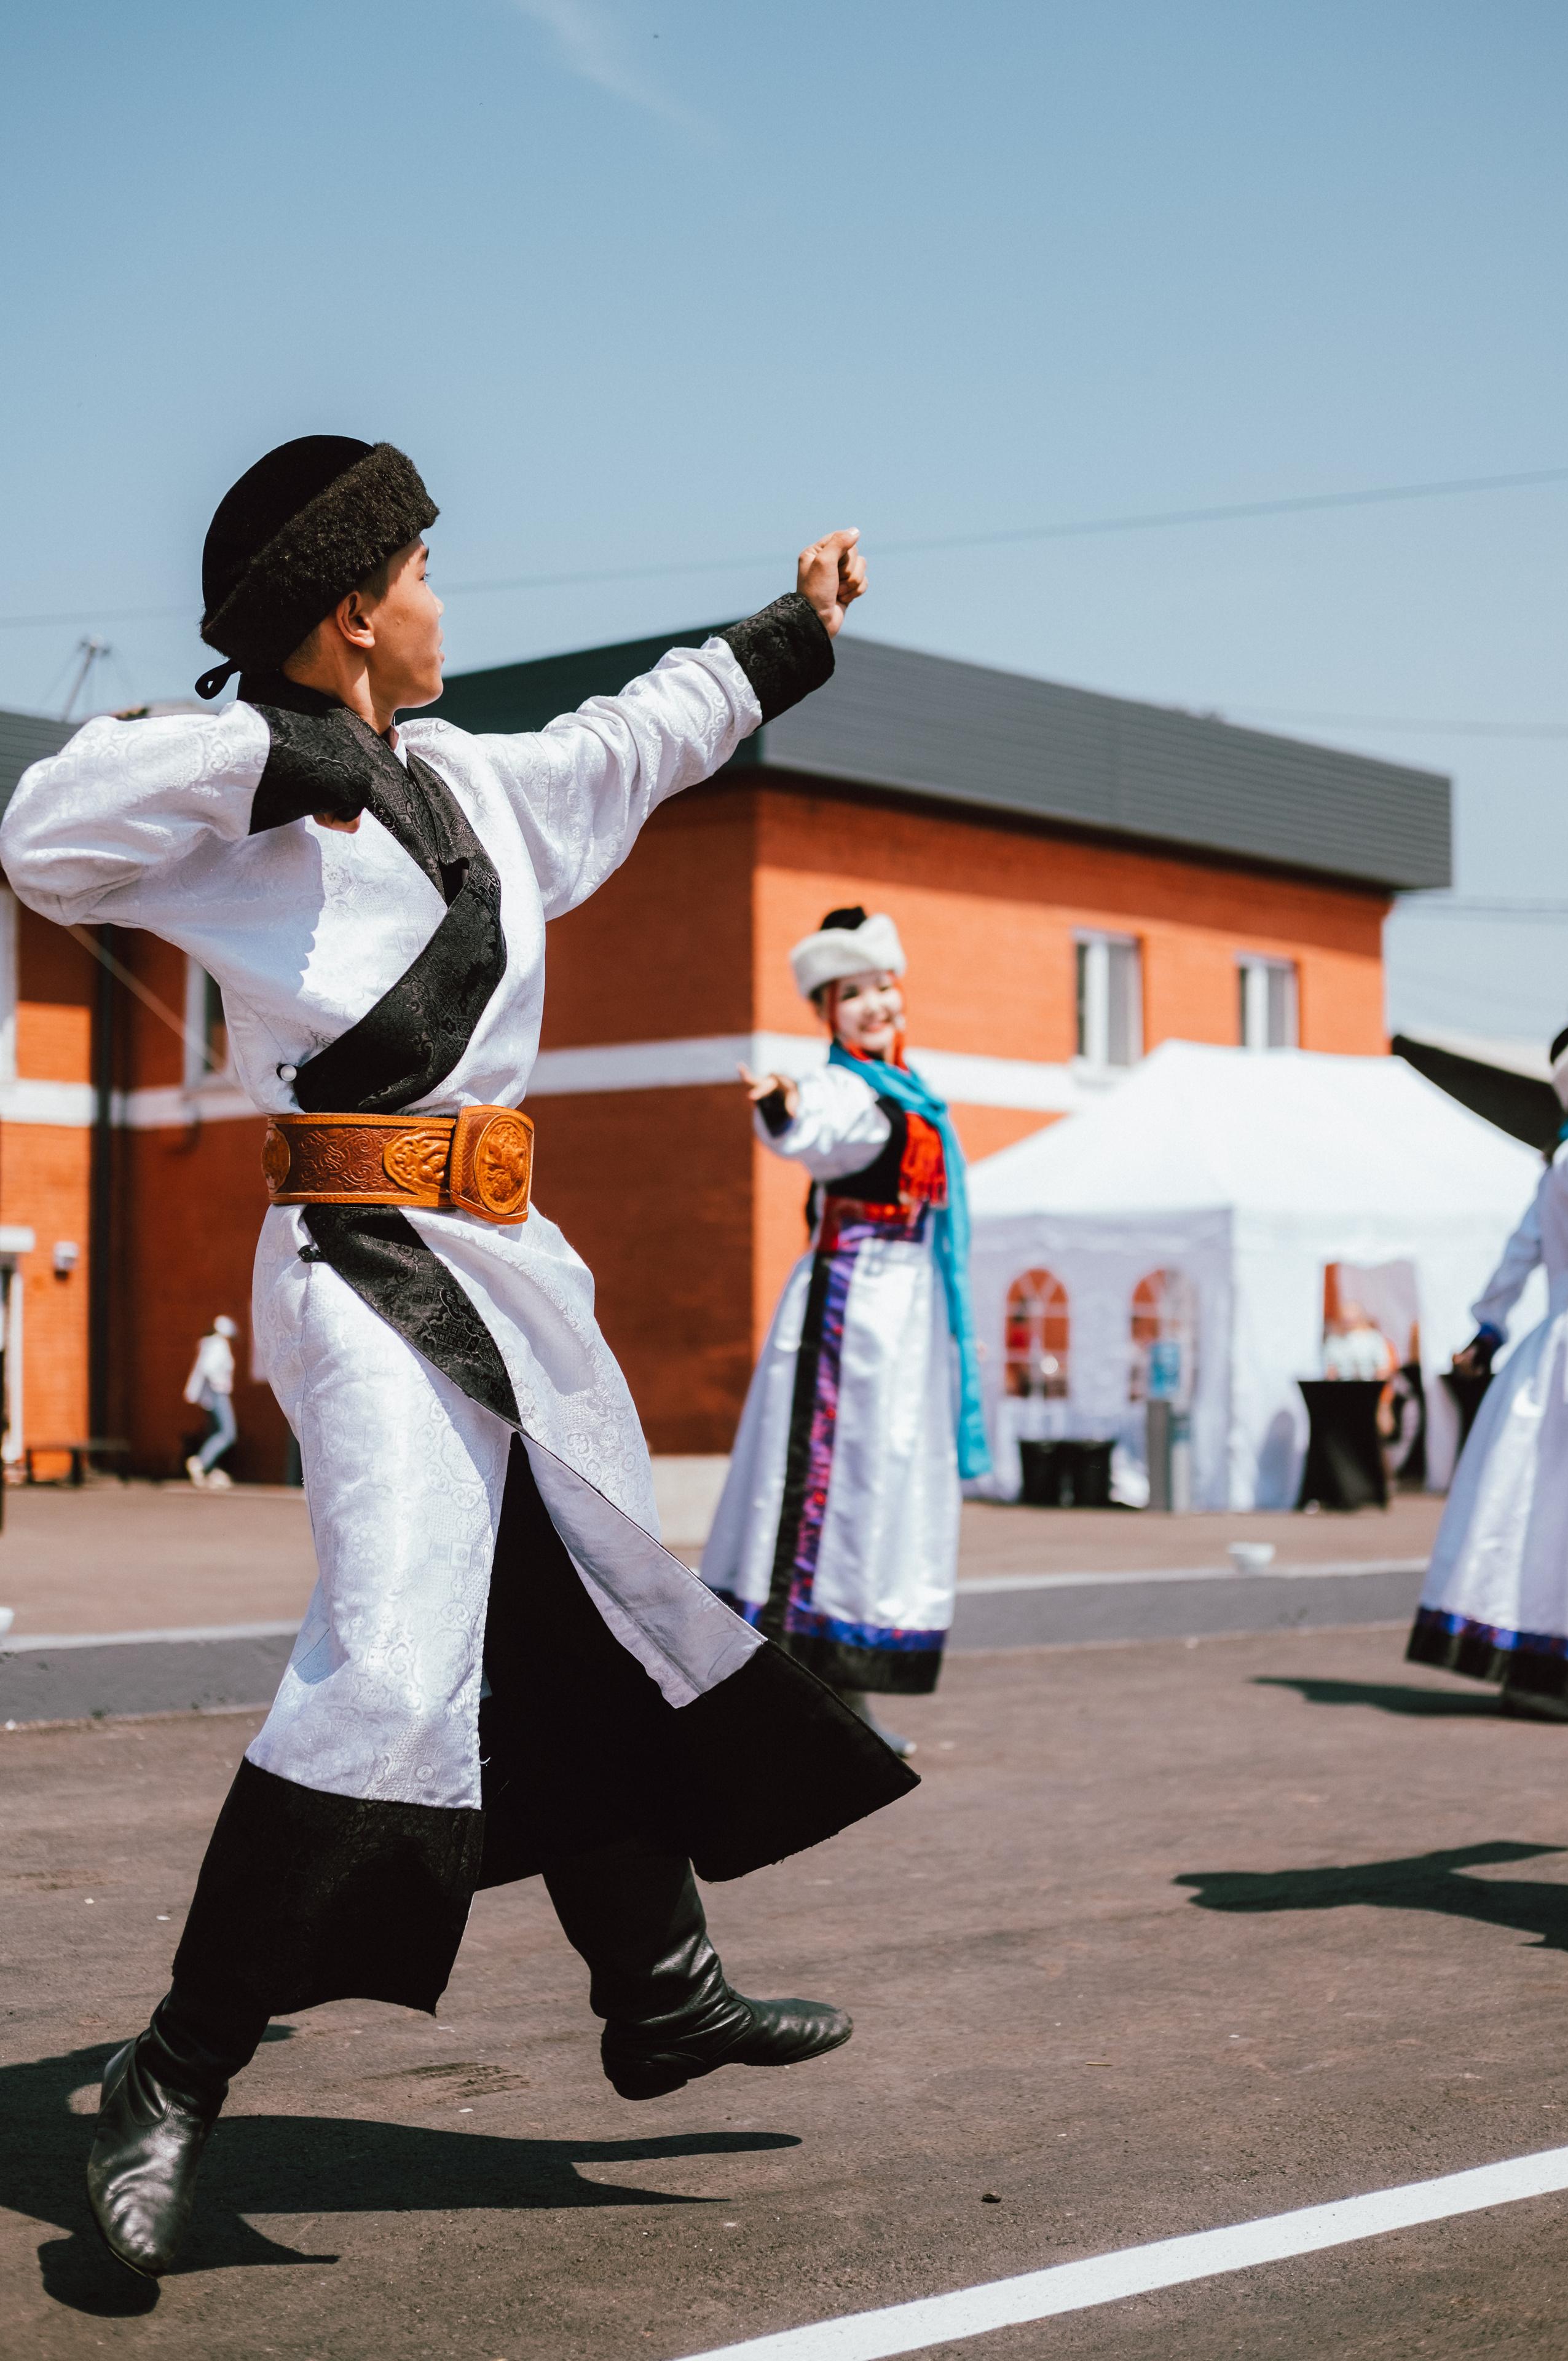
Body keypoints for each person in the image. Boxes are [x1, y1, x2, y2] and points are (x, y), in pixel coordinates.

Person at [1, 435, 917, 2280]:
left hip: (516, 1269)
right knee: (401, 1654)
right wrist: (280, 744)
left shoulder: (483, 783)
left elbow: (633, 738)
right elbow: (40, 834)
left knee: (590, 1606)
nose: (440, 595)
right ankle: (166, 2082)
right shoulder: (245, 810)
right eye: (418, 569)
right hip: (362, 1268)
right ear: (353, 612)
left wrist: (782, 633)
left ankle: (656, 1990)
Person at [700, 908, 990, 1757]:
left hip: (907, 1311)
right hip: (851, 1308)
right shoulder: (841, 1087)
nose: (874, 1004)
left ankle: (847, 1691)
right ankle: (786, 1690)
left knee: (882, 1494)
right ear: (826, 1011)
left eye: (882, 986)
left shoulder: (913, 1090)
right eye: (852, 993)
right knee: (828, 1486)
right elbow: (813, 1130)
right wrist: (783, 1109)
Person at [1408, 1016, 1568, 1718]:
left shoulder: (1558, 1162)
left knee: (1540, 1512)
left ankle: (1533, 1664)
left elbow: (1519, 1252)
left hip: (1553, 1356)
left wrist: (1487, 1326)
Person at [183, 1314, 239, 1488]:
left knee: (214, 1431)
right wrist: (219, 1383)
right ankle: (200, 1462)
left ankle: (210, 1470)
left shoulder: (211, 1343)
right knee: (228, 1433)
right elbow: (209, 1368)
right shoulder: (219, 1344)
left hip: (211, 1395)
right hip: (218, 1393)